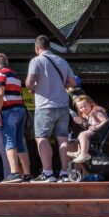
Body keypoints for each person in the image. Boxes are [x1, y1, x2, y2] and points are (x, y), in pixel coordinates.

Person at [26, 35, 78, 182]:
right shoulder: (62, 60)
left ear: (37, 47)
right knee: (63, 139)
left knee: (42, 138)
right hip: (62, 105)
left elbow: (29, 83)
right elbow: (72, 82)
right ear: (49, 46)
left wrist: (35, 87)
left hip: (45, 106)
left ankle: (48, 173)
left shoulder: (36, 61)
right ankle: (65, 173)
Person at [0, 54, 29, 183]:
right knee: (19, 141)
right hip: (21, 109)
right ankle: (27, 173)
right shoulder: (15, 75)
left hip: (8, 110)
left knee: (9, 139)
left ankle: (14, 173)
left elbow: (0, 92)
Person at [66, 95, 109, 172]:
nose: (83, 109)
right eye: (80, 108)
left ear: (90, 104)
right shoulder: (88, 114)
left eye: (85, 106)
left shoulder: (96, 111)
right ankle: (80, 152)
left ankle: (84, 154)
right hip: (95, 132)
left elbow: (105, 121)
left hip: (100, 132)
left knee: (82, 135)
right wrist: (82, 122)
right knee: (80, 135)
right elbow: (90, 125)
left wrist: (97, 127)